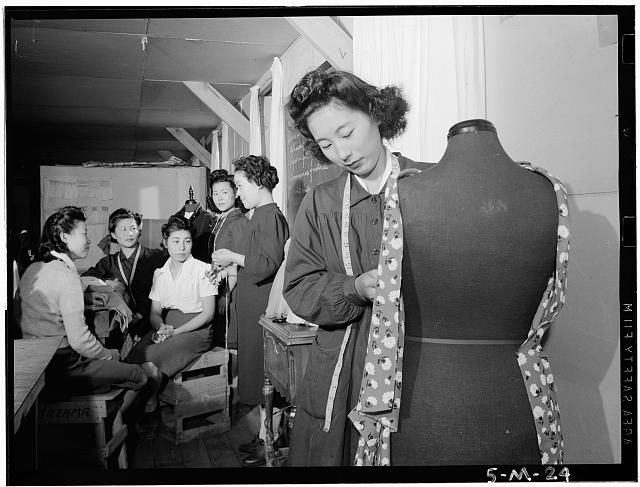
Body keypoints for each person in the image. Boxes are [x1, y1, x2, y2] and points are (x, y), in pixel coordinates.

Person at [282, 69, 430, 466]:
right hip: (343, 368)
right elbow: (298, 287)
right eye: (326, 144)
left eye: (346, 133)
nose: (341, 154)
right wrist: (353, 288)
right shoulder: (320, 202)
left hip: (419, 364)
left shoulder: (431, 184)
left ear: (376, 114)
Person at [18, 206, 154, 424]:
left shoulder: (33, 269)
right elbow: (80, 341)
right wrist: (111, 355)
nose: (89, 240)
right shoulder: (65, 275)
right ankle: (113, 428)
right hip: (63, 366)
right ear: (64, 237)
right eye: (84, 234)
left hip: (35, 363)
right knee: (140, 375)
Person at [211, 155, 289, 465]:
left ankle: (268, 438)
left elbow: (265, 264)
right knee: (261, 377)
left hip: (263, 309)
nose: (238, 193)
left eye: (241, 186)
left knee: (269, 378)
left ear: (258, 183)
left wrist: (232, 255)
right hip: (253, 306)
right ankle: (264, 436)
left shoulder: (269, 217)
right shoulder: (260, 214)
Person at [126, 214, 217, 411]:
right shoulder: (160, 273)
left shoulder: (204, 270)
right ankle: (145, 404)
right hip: (167, 326)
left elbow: (208, 314)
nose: (182, 248)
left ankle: (147, 406)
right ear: (165, 243)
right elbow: (155, 313)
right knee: (137, 355)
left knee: (151, 361)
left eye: (187, 241)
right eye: (175, 241)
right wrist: (161, 327)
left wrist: (175, 332)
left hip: (196, 330)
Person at [82, 208, 166, 338]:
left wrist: (142, 313)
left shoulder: (155, 256)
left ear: (139, 230)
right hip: (121, 325)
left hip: (152, 321)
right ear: (114, 235)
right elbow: (86, 278)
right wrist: (107, 284)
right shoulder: (108, 262)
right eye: (123, 229)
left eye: (133, 228)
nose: (130, 233)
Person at [206, 169, 250, 348]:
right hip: (219, 285)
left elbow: (239, 263)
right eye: (215, 193)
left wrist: (226, 295)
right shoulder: (221, 219)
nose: (219, 198)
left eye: (224, 192)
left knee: (230, 340)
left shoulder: (239, 222)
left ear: (235, 192)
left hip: (232, 290)